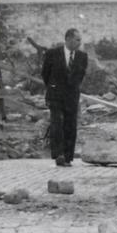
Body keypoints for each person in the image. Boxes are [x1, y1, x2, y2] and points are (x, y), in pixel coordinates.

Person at [41, 28, 88, 167]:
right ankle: (58, 154)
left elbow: (80, 76)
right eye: (77, 40)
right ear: (68, 39)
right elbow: (45, 74)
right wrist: (53, 87)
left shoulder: (82, 57)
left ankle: (68, 157)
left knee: (70, 125)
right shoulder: (52, 54)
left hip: (72, 96)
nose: (80, 43)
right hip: (55, 95)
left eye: (80, 40)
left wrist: (71, 89)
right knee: (56, 124)